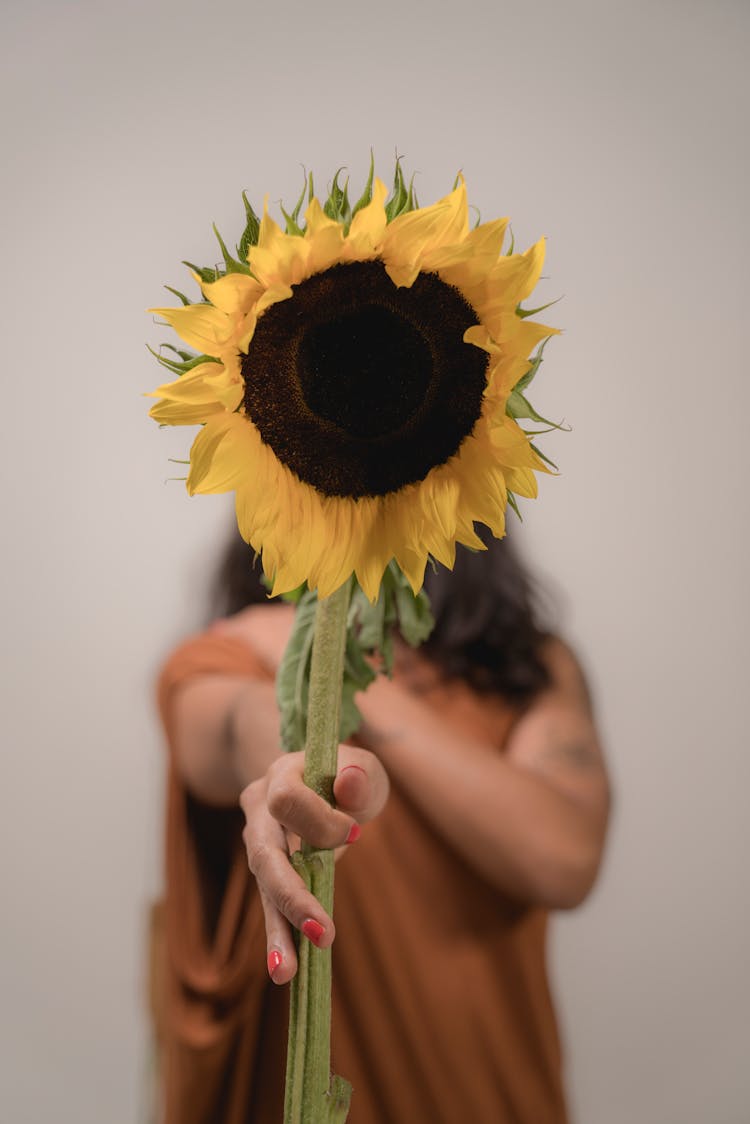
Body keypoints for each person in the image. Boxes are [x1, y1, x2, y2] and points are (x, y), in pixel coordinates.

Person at [153, 529, 610, 1124]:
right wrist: (298, 775)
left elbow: (564, 857)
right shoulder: (233, 652)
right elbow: (241, 727)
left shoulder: (531, 670)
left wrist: (340, 665)